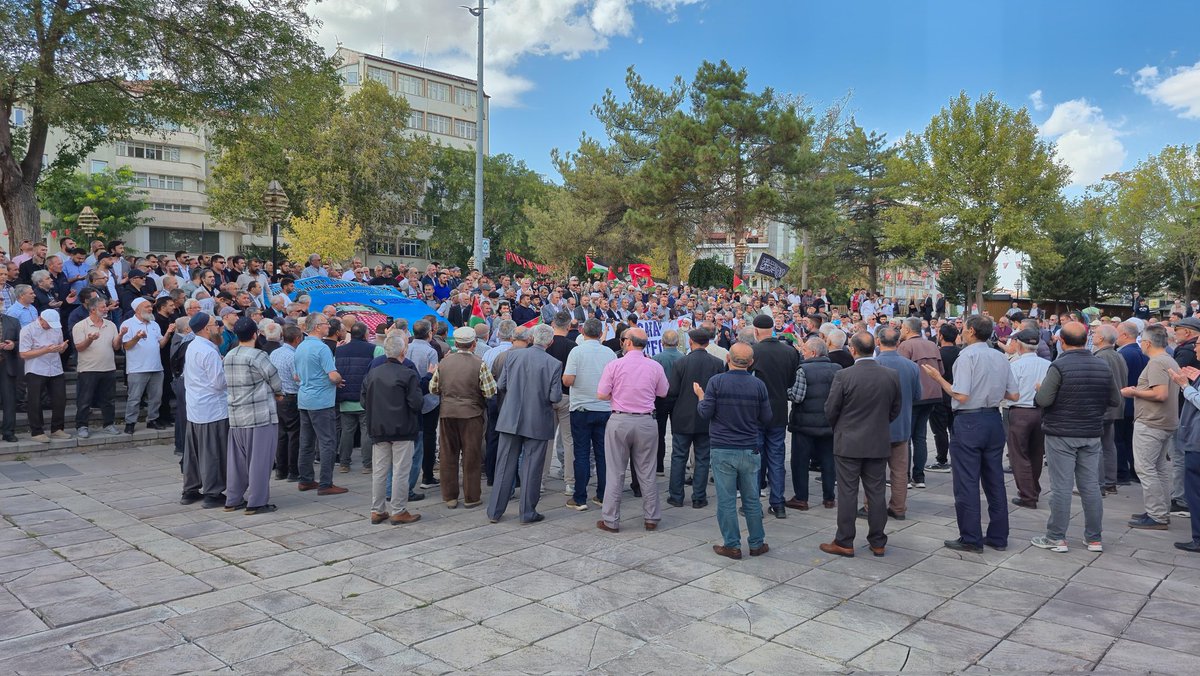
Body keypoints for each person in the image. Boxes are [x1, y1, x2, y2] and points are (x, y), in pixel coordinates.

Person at [920, 314, 1017, 553]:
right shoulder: (1000, 356)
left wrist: (938, 378)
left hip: (970, 419)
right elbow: (1013, 395)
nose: (961, 331)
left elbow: (960, 394)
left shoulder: (967, 356)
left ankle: (971, 537)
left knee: (967, 481)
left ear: (972, 331)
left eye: (964, 328)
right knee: (995, 481)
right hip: (993, 418)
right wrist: (990, 391)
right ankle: (998, 535)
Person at [1031, 321, 1122, 553]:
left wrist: (1040, 389)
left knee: (1061, 487)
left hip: (1061, 432)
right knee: (1090, 486)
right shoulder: (1102, 366)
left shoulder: (1059, 366)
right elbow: (1115, 400)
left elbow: (1044, 400)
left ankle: (1056, 537)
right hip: (1091, 432)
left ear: (1061, 341)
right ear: (1086, 340)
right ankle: (1094, 538)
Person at [820, 331, 901, 557]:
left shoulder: (844, 376)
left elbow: (831, 409)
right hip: (877, 440)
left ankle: (845, 540)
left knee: (847, 492)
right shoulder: (890, 375)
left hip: (849, 442)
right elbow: (895, 409)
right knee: (876, 492)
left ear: (852, 350)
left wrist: (841, 427)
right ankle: (877, 541)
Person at [696, 342, 771, 559]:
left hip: (722, 448)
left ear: (728, 358)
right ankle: (757, 543)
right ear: (751, 362)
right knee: (751, 499)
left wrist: (701, 397)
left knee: (727, 500)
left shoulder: (716, 382)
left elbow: (705, 412)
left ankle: (732, 544)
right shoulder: (758, 385)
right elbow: (766, 418)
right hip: (749, 447)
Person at [596, 327, 669, 533]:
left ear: (627, 342)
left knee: (615, 472)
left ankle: (611, 520)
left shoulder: (615, 365)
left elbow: (601, 394)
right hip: (646, 421)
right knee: (647, 471)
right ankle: (651, 517)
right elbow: (663, 392)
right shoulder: (654, 366)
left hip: (620, 420)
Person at [487, 324, 562, 524]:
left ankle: (495, 511)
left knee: (504, 465)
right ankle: (527, 512)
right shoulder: (553, 363)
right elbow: (555, 396)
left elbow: (501, 385)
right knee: (532, 467)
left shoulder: (513, 356)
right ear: (551, 342)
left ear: (531, 338)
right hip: (537, 419)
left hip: (510, 417)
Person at [430, 326, 496, 509]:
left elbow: (433, 388)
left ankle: (450, 496)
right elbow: (490, 391)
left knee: (448, 454)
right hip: (472, 414)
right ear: (474, 344)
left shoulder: (444, 363)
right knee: (471, 455)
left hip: (448, 412)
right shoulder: (479, 363)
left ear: (456, 343)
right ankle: (471, 496)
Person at [222, 317, 283, 515]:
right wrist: (279, 393)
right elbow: (274, 379)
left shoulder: (229, 355)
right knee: (260, 460)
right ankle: (256, 502)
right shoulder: (258, 355)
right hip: (259, 414)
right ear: (255, 334)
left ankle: (233, 498)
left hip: (237, 414)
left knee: (237, 461)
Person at [363, 333, 424, 524]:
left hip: (378, 427)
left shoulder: (373, 373)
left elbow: (364, 400)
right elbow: (416, 403)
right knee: (400, 470)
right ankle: (398, 509)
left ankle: (377, 509)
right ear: (403, 351)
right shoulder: (408, 374)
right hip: (402, 428)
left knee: (380, 471)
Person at [1124, 324, 1180, 530]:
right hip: (1164, 422)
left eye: (1141, 342)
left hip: (1152, 422)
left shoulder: (1157, 363)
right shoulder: (1169, 359)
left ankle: (1157, 515)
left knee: (1146, 469)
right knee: (1158, 469)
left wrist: (1133, 392)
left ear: (1147, 343)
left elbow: (1160, 394)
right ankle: (1159, 511)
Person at [665, 328, 725, 509]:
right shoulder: (717, 363)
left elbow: (672, 391)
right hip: (706, 416)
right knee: (703, 457)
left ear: (691, 342)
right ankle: (699, 497)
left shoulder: (681, 363)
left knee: (678, 456)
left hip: (683, 415)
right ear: (707, 343)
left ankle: (676, 496)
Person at [563, 318, 616, 511]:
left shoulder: (576, 351)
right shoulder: (609, 353)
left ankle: (580, 497)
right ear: (600, 332)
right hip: (604, 408)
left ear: (583, 331)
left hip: (581, 409)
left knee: (582, 453)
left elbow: (568, 380)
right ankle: (602, 495)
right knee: (603, 454)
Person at [749, 314, 799, 519]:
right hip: (778, 410)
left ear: (756, 331)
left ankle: (754, 503)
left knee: (755, 458)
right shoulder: (790, 351)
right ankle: (778, 503)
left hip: (757, 412)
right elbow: (791, 381)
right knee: (777, 458)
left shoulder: (753, 351)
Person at [873, 326, 922, 520]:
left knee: (874, 471)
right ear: (899, 343)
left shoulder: (873, 364)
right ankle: (899, 508)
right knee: (900, 471)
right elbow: (918, 395)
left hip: (876, 428)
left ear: (878, 341)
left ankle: (872, 506)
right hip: (902, 425)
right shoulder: (911, 366)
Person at [787, 336, 841, 510]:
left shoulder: (803, 370)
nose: (803, 353)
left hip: (804, 424)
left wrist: (786, 389)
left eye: (804, 350)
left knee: (800, 462)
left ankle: (801, 498)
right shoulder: (837, 369)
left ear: (813, 352)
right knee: (828, 461)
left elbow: (797, 396)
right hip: (829, 423)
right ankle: (829, 498)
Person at [295, 313, 347, 496]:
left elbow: (296, 376)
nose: (328, 327)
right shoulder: (322, 348)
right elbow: (333, 375)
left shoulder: (300, 346)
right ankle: (326, 482)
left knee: (306, 441)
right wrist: (337, 379)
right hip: (321, 400)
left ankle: (305, 478)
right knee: (327, 441)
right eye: (325, 324)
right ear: (317, 327)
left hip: (304, 398)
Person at [181, 312, 229, 509]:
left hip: (196, 406)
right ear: (206, 329)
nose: (218, 326)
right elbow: (218, 383)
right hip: (211, 407)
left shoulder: (194, 346)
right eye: (213, 324)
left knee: (194, 452)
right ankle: (212, 492)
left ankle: (190, 489)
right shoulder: (208, 351)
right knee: (212, 451)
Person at [1005, 329, 1051, 509]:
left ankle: (1027, 495)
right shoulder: (1047, 364)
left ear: (1018, 344)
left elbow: (1010, 391)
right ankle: (1033, 488)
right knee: (1036, 453)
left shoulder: (1016, 365)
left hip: (1020, 411)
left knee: (1019, 455)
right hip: (1040, 411)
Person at [898, 316, 943, 487]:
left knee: (907, 437)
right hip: (932, 394)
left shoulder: (905, 345)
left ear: (908, 329)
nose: (901, 330)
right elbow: (941, 370)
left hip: (914, 395)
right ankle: (919, 476)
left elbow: (902, 370)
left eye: (902, 327)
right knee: (920, 436)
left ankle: (907, 476)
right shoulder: (932, 345)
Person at [120, 297, 172, 433]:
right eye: (147, 307)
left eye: (151, 307)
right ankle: (130, 422)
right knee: (135, 398)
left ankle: (152, 419)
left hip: (156, 366)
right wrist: (136, 337)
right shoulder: (128, 324)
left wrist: (168, 333)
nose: (150, 309)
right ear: (137, 309)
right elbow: (126, 346)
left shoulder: (154, 324)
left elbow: (161, 344)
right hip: (137, 368)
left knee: (156, 397)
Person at [72, 296, 122, 438]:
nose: (106, 309)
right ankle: (82, 426)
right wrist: (89, 339)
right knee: (85, 400)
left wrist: (121, 335)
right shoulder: (80, 326)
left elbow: (116, 346)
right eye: (103, 307)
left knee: (108, 399)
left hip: (108, 367)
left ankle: (108, 424)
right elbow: (79, 347)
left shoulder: (111, 325)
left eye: (106, 306)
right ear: (93, 309)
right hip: (88, 369)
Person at [19, 309, 69, 442]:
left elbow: (60, 345)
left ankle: (57, 428)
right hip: (36, 368)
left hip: (55, 367)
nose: (50, 326)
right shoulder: (28, 330)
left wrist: (62, 347)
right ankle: (37, 431)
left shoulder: (56, 329)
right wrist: (45, 350)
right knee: (35, 401)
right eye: (48, 324)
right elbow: (23, 354)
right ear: (41, 319)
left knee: (60, 399)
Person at [334, 322, 375, 474]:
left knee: (346, 431)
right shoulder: (374, 349)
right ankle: (367, 465)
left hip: (345, 396)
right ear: (365, 335)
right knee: (366, 431)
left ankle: (344, 463)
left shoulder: (339, 351)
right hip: (365, 397)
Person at [1093, 325, 1129, 495]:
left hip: (1103, 407)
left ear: (1101, 339)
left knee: (1098, 446)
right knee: (1108, 445)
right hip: (1115, 406)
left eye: (1095, 333)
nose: (1092, 336)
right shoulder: (1118, 355)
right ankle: (1110, 482)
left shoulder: (1101, 357)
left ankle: (1099, 484)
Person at [546, 312, 577, 489]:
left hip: (547, 396)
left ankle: (541, 481)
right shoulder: (572, 346)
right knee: (568, 439)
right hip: (566, 394)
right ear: (568, 327)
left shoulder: (545, 345)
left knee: (547, 440)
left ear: (553, 324)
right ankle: (570, 483)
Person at [270, 324, 303, 481]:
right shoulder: (294, 356)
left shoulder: (275, 353)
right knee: (293, 435)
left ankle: (280, 470)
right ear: (297, 339)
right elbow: (298, 379)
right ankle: (293, 471)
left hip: (277, 397)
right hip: (291, 397)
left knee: (281, 434)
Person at [928, 323, 960, 473]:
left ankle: (942, 459)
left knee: (939, 430)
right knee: (955, 429)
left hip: (940, 395)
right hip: (957, 395)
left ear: (940, 336)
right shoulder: (961, 353)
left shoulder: (938, 354)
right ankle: (957, 457)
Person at [652, 329, 684, 477]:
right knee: (678, 433)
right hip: (678, 398)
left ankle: (659, 466)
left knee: (659, 432)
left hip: (660, 399)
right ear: (677, 342)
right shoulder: (683, 357)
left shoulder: (656, 358)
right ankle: (678, 465)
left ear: (662, 342)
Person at [0, 312, 19, 442]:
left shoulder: (13, 321)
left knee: (9, 400)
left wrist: (13, 345)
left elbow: (22, 340)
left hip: (7, 364)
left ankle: (8, 432)